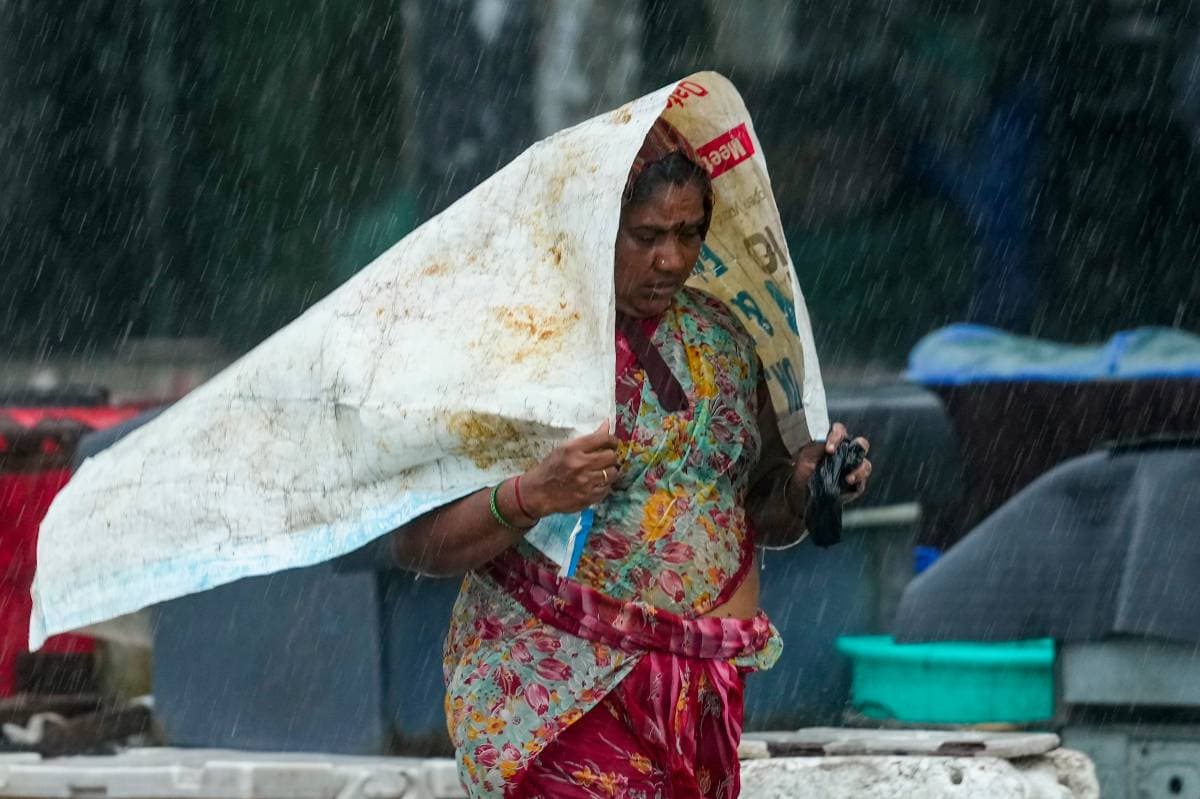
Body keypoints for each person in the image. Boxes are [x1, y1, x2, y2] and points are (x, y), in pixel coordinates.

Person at [392, 117, 872, 798]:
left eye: (688, 235)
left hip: (697, 703)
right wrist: (533, 493)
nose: (671, 260)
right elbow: (418, 542)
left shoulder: (728, 343)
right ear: (592, 229)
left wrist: (805, 484)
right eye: (646, 236)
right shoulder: (524, 354)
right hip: (556, 699)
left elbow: (756, 509)